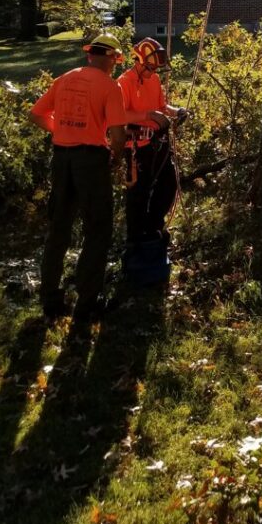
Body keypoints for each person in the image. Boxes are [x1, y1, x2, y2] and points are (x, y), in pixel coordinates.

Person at [28, 33, 127, 322]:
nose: (116, 66)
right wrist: (116, 157)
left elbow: (36, 114)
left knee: (58, 227)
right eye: (116, 61)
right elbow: (118, 135)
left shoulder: (64, 78)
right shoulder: (110, 86)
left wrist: (60, 130)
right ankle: (87, 303)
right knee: (97, 229)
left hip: (61, 159)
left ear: (89, 54)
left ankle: (50, 299)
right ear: (111, 59)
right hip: (91, 161)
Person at [118, 37, 188, 243]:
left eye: (156, 70)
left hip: (159, 143)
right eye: (149, 68)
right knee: (139, 194)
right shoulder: (124, 82)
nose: (152, 73)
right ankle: (136, 239)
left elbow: (162, 106)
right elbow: (119, 115)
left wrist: (178, 111)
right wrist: (147, 116)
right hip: (137, 147)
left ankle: (154, 226)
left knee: (169, 184)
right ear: (138, 62)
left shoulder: (153, 79)